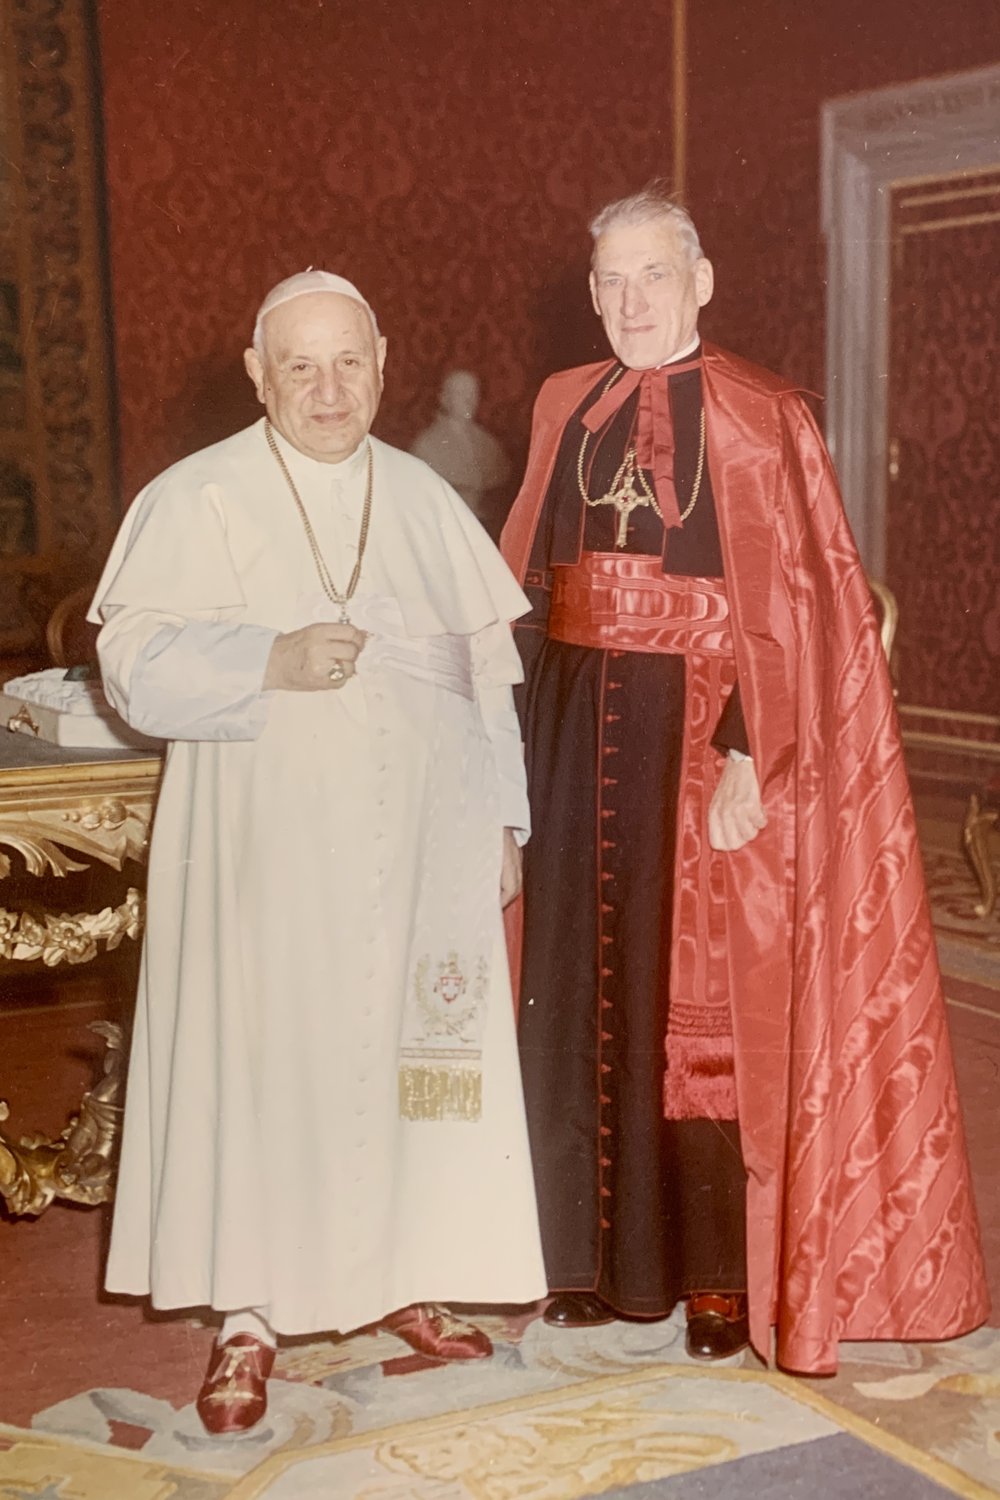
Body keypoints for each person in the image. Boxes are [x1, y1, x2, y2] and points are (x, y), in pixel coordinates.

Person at [501, 186, 989, 1374]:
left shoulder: (766, 416)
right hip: (571, 730)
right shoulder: (566, 403)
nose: (629, 302)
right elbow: (515, 583)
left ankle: (716, 1275)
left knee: (699, 1018)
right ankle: (583, 1263)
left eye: (653, 276)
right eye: (609, 281)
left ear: (701, 281)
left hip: (700, 741)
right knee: (574, 984)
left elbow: (803, 612)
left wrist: (741, 753)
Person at [90, 270, 546, 1434]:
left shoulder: (427, 497)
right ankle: (249, 1318)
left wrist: (503, 816)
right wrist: (265, 662)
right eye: (300, 364)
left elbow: (486, 675)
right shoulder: (197, 497)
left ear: (385, 360)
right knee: (269, 1065)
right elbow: (132, 667)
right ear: (257, 373)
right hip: (261, 852)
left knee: (413, 1063)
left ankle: (407, 1280)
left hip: (419, 852)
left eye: (348, 361)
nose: (328, 388)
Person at [410, 369, 512, 536]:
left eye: (473, 393)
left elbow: (500, 481)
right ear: (444, 399)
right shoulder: (426, 445)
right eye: (461, 393)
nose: (468, 400)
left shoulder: (489, 443)